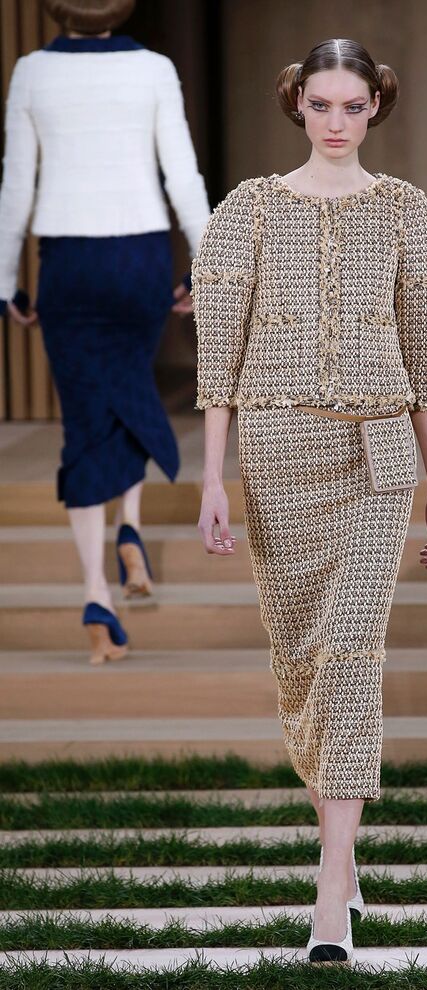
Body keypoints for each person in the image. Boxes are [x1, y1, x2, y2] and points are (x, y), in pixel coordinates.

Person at [193, 37, 427, 963]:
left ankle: (330, 892)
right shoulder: (248, 211)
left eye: (353, 105)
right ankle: (343, 858)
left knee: (350, 653)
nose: (337, 122)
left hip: (378, 456)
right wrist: (212, 479)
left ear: (376, 104)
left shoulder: (410, 214)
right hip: (276, 455)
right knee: (303, 665)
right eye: (321, 105)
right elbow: (218, 360)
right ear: (296, 103)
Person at [0, 0, 210, 663]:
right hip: (139, 257)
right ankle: (131, 528)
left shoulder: (32, 71)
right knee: (128, 385)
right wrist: (208, 266)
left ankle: (97, 594)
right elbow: (182, 176)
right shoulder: (154, 68)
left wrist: (5, 283)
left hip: (69, 261)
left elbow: (16, 186)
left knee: (87, 416)